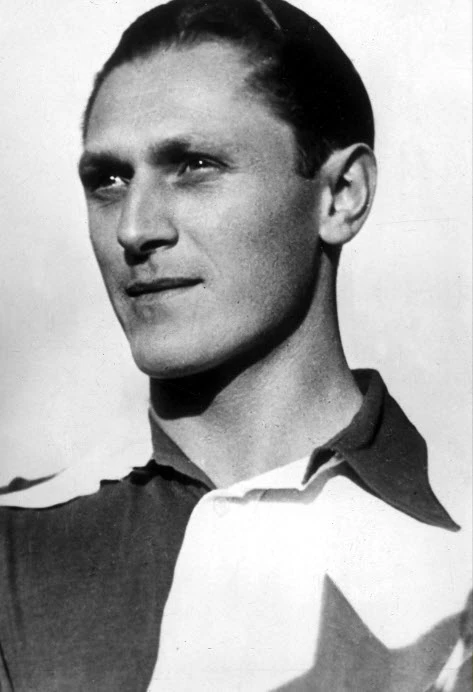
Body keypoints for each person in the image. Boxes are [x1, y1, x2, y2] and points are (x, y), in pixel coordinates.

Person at [0, 0, 471, 690]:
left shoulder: (459, 542)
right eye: (108, 180)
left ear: (341, 195)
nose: (134, 228)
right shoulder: (16, 545)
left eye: (194, 165)